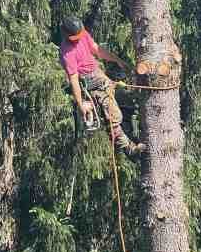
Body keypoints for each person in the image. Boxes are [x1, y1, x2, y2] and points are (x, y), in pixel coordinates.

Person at [59, 16, 145, 159]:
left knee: (126, 100)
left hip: (99, 74)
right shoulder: (67, 53)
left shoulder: (82, 33)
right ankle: (130, 149)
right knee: (114, 117)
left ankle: (132, 135)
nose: (80, 38)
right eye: (76, 37)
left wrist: (117, 60)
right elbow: (73, 80)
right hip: (90, 84)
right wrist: (81, 104)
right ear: (68, 35)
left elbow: (97, 50)